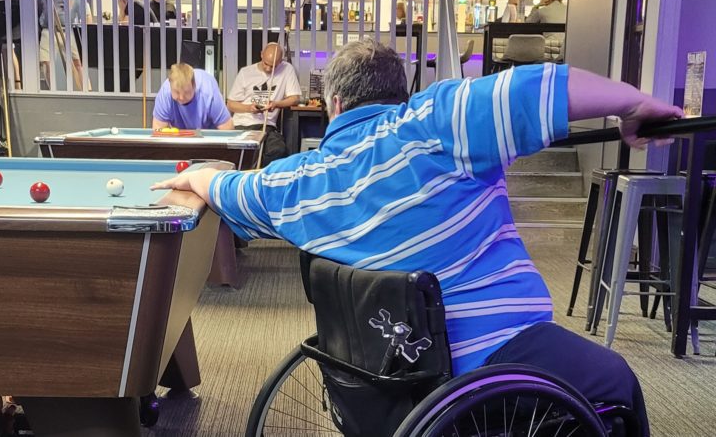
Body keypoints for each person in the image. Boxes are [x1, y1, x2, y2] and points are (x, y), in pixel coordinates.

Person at [152, 37, 681, 435]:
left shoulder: (298, 180)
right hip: (493, 365)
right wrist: (634, 102)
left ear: (335, 104)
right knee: (618, 383)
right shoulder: (436, 120)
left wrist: (193, 176)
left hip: (378, 378)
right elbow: (544, 86)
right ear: (402, 91)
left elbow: (225, 185)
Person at [227, 43, 301, 166]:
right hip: (242, 125)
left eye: (273, 66)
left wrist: (276, 104)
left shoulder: (287, 69)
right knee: (245, 154)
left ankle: (263, 179)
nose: (268, 69)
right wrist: (249, 108)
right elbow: (231, 104)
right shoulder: (245, 73)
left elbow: (295, 98)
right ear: (261, 54)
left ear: (280, 62)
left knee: (278, 150)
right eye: (266, 64)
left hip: (267, 127)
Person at [38, 0, 90, 90]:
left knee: (78, 63)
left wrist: (87, 35)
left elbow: (87, 15)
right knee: (46, 62)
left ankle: (87, 91)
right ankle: (53, 90)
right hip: (48, 29)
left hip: (69, 31)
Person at [153, 63, 233, 130]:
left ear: (194, 86)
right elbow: (158, 131)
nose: (181, 97)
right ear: (170, 86)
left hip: (208, 136)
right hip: (178, 136)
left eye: (186, 92)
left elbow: (228, 130)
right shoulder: (165, 94)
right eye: (177, 92)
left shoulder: (209, 94)